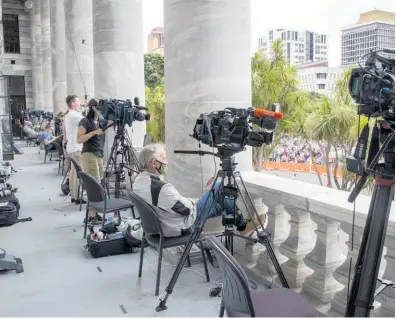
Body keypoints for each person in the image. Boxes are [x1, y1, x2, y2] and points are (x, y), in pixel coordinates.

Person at [133, 143, 265, 238]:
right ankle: (242, 226)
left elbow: (172, 204)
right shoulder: (160, 188)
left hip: (164, 224)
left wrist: (194, 200)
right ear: (153, 163)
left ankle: (237, 220)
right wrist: (193, 200)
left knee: (220, 200)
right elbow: (187, 209)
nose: (167, 162)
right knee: (219, 186)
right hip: (182, 225)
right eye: (163, 159)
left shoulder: (139, 182)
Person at [77, 98, 113, 223]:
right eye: (99, 108)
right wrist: (93, 133)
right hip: (89, 154)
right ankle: (91, 216)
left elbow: (112, 121)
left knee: (98, 184)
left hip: (98, 155)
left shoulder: (101, 122)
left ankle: (93, 215)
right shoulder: (85, 121)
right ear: (93, 108)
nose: (101, 110)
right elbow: (79, 139)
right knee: (95, 185)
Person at [64, 95, 86, 205]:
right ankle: (78, 196)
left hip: (71, 147)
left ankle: (74, 195)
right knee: (82, 172)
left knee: (73, 172)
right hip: (77, 148)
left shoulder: (68, 115)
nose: (80, 102)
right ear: (73, 103)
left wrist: (82, 107)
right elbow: (88, 121)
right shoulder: (75, 116)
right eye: (78, 101)